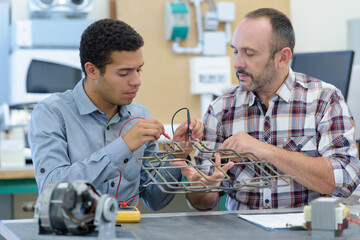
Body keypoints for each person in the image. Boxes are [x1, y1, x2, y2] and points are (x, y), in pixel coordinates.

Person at [175, 8, 360, 210]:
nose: (237, 63)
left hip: (305, 231)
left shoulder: (325, 99)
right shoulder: (221, 109)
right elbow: (202, 203)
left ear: (283, 57)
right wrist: (200, 188)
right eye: (235, 51)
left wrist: (263, 150)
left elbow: (344, 181)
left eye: (249, 53)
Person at [28, 19, 203, 211]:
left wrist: (177, 154)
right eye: (124, 73)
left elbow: (154, 199)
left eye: (139, 70)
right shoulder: (52, 113)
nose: (136, 81)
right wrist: (124, 147)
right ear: (92, 70)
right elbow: (52, 191)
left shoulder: (139, 115)